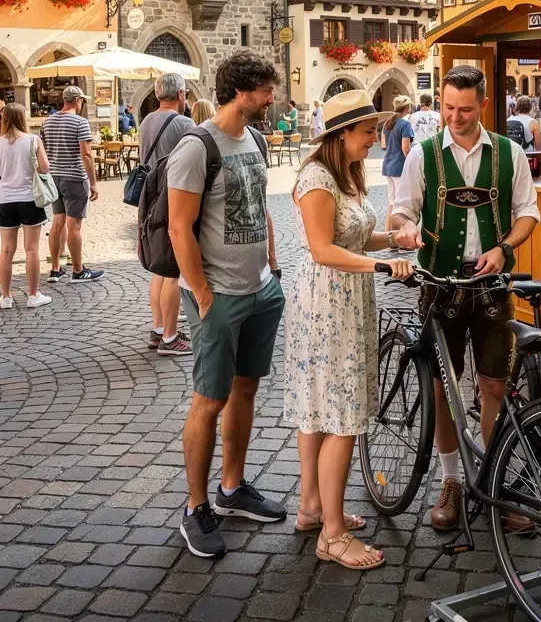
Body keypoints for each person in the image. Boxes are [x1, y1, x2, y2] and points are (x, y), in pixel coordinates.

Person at [391, 65, 540, 532]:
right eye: (449, 108)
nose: (455, 117)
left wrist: (505, 248)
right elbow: (400, 211)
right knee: (442, 388)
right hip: (441, 287)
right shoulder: (424, 155)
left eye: (466, 109)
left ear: (484, 104)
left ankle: (494, 479)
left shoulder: (509, 153)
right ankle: (451, 480)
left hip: (493, 289)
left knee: (494, 386)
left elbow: (528, 212)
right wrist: (407, 229)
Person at [284, 90, 413, 569]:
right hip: (327, 300)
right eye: (367, 133)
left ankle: (313, 507)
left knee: (321, 406)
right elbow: (322, 249)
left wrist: (396, 240)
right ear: (341, 135)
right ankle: (332, 535)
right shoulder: (317, 177)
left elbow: (354, 236)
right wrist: (381, 267)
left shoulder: (349, 175)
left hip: (346, 295)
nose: (374, 140)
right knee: (340, 411)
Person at [168, 49, 286, 558]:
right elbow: (178, 225)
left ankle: (232, 489)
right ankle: (196, 508)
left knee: (245, 390)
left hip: (260, 288)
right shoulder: (196, 147)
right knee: (209, 400)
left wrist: (273, 267)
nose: (270, 99)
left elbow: (262, 207)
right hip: (218, 294)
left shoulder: (255, 139)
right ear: (241, 91)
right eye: (264, 90)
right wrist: (200, 291)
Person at [139, 74, 195, 355]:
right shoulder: (184, 123)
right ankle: (171, 339)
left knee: (159, 268)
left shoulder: (147, 120)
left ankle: (158, 329)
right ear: (182, 94)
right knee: (173, 268)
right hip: (174, 198)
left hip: (150, 200)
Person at [40, 86, 103, 283]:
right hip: (74, 177)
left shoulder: (47, 122)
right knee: (74, 226)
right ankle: (78, 270)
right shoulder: (80, 122)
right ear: (77, 100)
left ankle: (55, 269)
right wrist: (93, 183)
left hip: (54, 177)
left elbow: (43, 150)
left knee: (57, 222)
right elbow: (86, 154)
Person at [0, 104, 52, 310]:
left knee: (6, 250)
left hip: (5, 199)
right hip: (30, 198)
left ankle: (5, 297)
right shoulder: (33, 140)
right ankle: (32, 295)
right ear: (23, 118)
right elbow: (45, 168)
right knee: (31, 249)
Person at [381, 94, 413, 230]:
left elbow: (383, 145)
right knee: (400, 205)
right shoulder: (405, 124)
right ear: (407, 107)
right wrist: (413, 163)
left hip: (388, 165)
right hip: (399, 166)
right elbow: (406, 148)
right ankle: (398, 236)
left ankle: (390, 237)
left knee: (391, 203)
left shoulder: (387, 123)